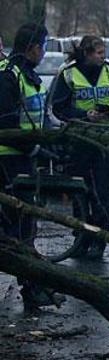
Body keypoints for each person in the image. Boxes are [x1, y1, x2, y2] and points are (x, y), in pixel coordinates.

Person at [51, 35, 109, 259]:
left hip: (107, 141)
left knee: (102, 192)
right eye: (99, 53)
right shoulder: (68, 74)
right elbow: (58, 108)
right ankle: (81, 238)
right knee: (81, 192)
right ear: (87, 53)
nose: (103, 57)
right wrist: (83, 115)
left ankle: (100, 240)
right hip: (80, 141)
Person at [0, 23, 62, 309]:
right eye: (43, 45)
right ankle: (33, 287)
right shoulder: (9, 77)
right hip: (8, 161)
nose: (44, 51)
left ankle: (34, 286)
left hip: (23, 159)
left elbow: (39, 117)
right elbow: (8, 125)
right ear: (32, 47)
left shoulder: (28, 76)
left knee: (24, 227)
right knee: (22, 228)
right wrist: (36, 148)